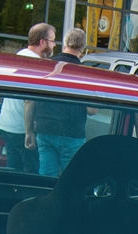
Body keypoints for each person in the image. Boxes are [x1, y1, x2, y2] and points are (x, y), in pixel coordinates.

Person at [0, 23, 55, 172]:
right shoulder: (35, 64)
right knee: (30, 173)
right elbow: (29, 100)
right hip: (21, 129)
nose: (54, 45)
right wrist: (29, 132)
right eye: (52, 41)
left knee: (13, 170)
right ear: (42, 42)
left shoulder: (18, 56)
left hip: (6, 124)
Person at [32, 28, 88, 175]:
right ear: (83, 48)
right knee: (71, 178)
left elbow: (33, 98)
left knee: (46, 176)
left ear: (65, 43)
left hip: (45, 128)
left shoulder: (47, 66)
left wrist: (29, 129)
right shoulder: (84, 73)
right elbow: (92, 110)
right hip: (71, 132)